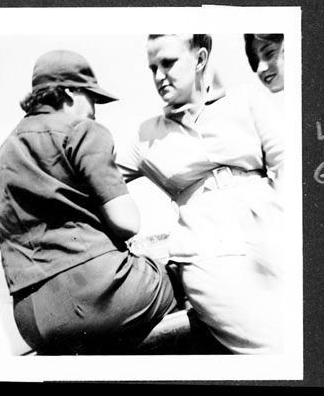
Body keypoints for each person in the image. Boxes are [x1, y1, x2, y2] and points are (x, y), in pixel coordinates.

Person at [0, 50, 177, 354]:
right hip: (102, 296)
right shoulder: (82, 130)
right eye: (92, 98)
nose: (95, 111)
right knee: (178, 275)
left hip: (32, 323)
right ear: (70, 93)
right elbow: (128, 223)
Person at [117, 34, 284, 354]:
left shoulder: (247, 99)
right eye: (152, 68)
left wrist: (276, 232)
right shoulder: (145, 136)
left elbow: (287, 162)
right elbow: (98, 181)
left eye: (167, 63)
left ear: (200, 58)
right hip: (208, 254)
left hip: (274, 234)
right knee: (275, 348)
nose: (158, 76)